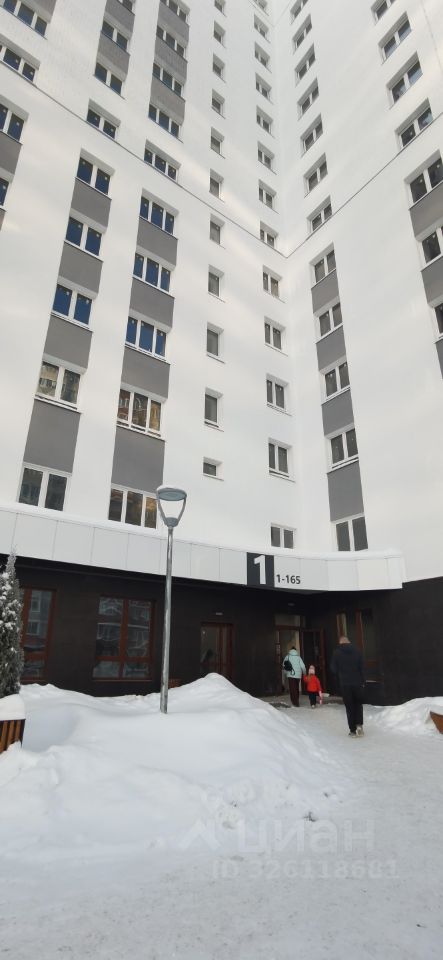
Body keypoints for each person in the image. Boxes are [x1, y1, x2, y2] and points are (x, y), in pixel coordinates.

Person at [330, 635, 365, 737]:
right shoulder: (357, 651)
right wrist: (363, 681)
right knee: (358, 704)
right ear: (348, 641)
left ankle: (352, 731)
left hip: (345, 684)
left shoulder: (337, 653)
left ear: (340, 642)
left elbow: (333, 669)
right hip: (357, 683)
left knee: (349, 706)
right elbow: (362, 667)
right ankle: (359, 725)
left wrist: (340, 673)